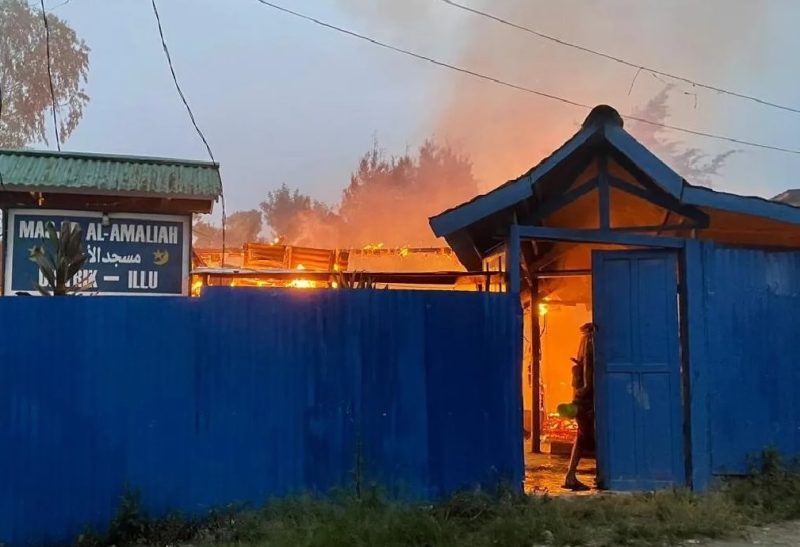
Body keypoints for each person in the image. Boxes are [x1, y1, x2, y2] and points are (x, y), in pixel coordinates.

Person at [563, 322, 595, 491]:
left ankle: (570, 475)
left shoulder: (583, 341)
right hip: (587, 399)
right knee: (587, 436)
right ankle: (570, 475)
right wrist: (589, 390)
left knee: (581, 437)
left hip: (580, 397)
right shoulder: (590, 342)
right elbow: (588, 373)